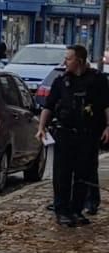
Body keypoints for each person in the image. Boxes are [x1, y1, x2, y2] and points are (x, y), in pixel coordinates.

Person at [36, 44, 109, 226]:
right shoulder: (61, 82)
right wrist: (41, 127)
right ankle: (62, 211)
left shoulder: (98, 81)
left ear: (80, 61)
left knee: (83, 174)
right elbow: (48, 106)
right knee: (62, 174)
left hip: (88, 135)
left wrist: (108, 127)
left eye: (68, 58)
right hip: (64, 134)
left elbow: (106, 106)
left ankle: (77, 210)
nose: (65, 62)